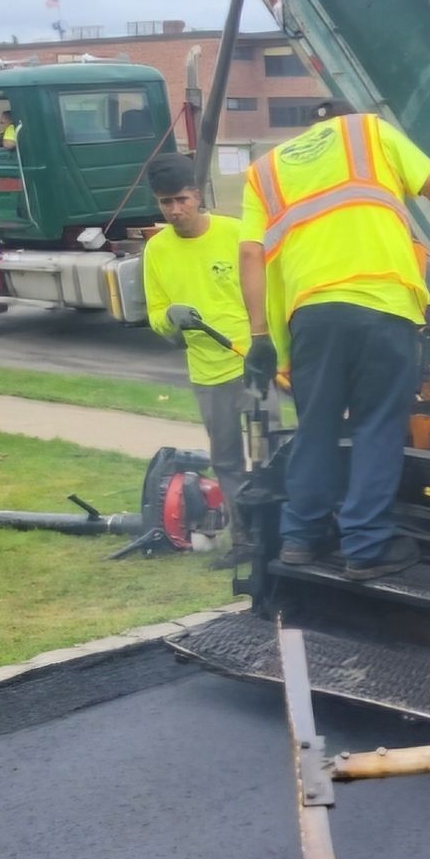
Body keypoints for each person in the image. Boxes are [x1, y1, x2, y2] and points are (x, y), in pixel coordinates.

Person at [238, 91, 430, 577]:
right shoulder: (369, 131)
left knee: (316, 427)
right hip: (383, 304)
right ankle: (365, 547)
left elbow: (251, 255)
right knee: (376, 425)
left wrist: (260, 337)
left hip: (311, 315)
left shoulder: (266, 170)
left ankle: (300, 538)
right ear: (348, 119)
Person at [142, 156, 248, 559]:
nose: (174, 210)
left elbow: (269, 295)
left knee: (272, 453)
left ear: (198, 195)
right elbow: (154, 315)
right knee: (227, 460)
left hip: (253, 364)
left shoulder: (236, 234)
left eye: (181, 200)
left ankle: (286, 534)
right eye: (165, 202)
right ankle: (244, 540)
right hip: (208, 372)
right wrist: (169, 317)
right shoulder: (156, 250)